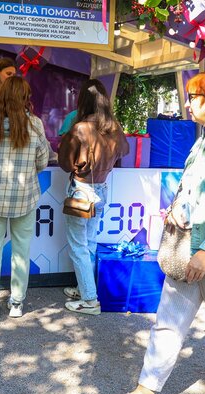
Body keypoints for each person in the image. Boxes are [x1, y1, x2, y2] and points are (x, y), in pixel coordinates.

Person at [103, 68, 205, 394]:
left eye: (193, 97)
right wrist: (177, 209)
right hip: (187, 246)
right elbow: (189, 190)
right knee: (168, 322)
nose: (187, 104)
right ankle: (144, 393)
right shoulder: (201, 141)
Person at [0, 76, 50, 320]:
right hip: (25, 199)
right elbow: (43, 161)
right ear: (25, 98)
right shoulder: (35, 125)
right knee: (21, 252)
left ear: (2, 96)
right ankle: (16, 303)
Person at [57, 79, 128, 315]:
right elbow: (123, 152)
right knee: (89, 242)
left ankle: (89, 300)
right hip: (101, 189)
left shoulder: (80, 128)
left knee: (78, 246)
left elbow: (65, 164)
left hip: (81, 189)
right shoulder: (114, 128)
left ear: (83, 101)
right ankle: (85, 287)